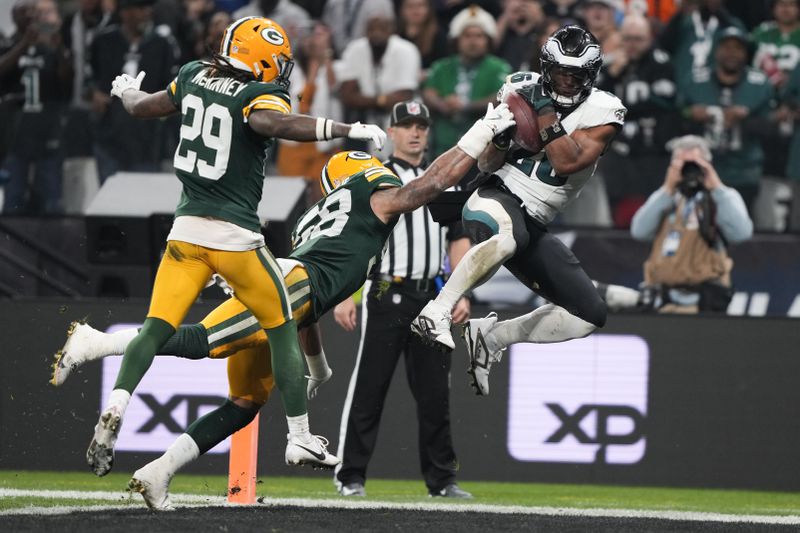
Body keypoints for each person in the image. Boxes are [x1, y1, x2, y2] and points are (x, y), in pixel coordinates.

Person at [52, 103, 516, 510]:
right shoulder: (370, 199)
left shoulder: (313, 220)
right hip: (288, 290)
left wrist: (316, 366)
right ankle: (96, 342)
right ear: (359, 178)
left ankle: (159, 473)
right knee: (202, 342)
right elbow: (432, 183)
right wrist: (479, 134)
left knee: (245, 402)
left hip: (295, 296)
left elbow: (305, 318)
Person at [82, 16, 389, 483]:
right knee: (283, 322)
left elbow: (144, 106)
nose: (283, 71)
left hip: (184, 232)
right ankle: (300, 434)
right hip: (235, 238)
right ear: (260, 56)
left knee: (154, 330)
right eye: (279, 62)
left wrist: (125, 94)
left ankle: (116, 405)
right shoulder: (255, 94)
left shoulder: (191, 75)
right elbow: (272, 121)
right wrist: (342, 127)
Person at [411, 26, 626, 396]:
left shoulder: (604, 111)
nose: (567, 83)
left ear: (590, 77)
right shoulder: (517, 91)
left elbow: (565, 162)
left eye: (576, 76)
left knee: (589, 314)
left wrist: (541, 109)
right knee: (508, 236)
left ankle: (492, 337)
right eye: (560, 73)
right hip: (494, 197)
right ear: (546, 69)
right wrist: (500, 137)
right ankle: (437, 310)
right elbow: (488, 163)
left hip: (534, 221)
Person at [332, 101, 472, 499]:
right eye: (406, 125)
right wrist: (348, 293)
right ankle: (350, 475)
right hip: (386, 290)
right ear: (390, 132)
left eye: (421, 126)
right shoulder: (375, 175)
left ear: (428, 132)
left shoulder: (444, 177)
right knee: (369, 389)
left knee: (435, 395)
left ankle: (443, 480)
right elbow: (356, 238)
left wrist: (457, 291)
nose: (415, 132)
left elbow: (458, 238)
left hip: (431, 298)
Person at [630, 135, 753, 313]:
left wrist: (716, 187)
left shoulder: (722, 197)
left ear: (707, 165)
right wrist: (667, 189)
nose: (690, 170)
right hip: (663, 302)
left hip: (704, 303)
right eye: (683, 164)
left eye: (695, 163)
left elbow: (741, 233)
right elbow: (639, 231)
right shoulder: (666, 198)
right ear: (672, 167)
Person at [678, 26, 775, 212]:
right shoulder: (694, 81)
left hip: (745, 170)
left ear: (746, 53)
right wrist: (692, 115)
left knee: (740, 228)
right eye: (726, 47)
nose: (732, 53)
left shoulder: (760, 84)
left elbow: (771, 129)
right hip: (701, 169)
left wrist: (745, 119)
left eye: (738, 48)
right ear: (716, 50)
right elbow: (676, 117)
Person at [596, 13, 678, 226]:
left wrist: (621, 108)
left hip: (654, 153)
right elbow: (595, 106)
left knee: (655, 213)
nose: (631, 45)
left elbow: (664, 103)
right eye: (627, 39)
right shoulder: (609, 66)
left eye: (638, 39)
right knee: (619, 212)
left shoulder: (661, 63)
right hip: (619, 155)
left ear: (649, 39)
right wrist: (612, 75)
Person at [88, 0, 179, 183]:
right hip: (109, 131)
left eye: (147, 8)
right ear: (125, 12)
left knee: (142, 193)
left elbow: (171, 84)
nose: (146, 13)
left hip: (147, 135)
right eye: (140, 8)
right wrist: (93, 92)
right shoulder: (104, 40)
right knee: (109, 195)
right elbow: (87, 75)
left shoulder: (162, 44)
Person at [1, 0, 72, 214]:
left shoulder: (50, 47)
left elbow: (67, 81)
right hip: (14, 134)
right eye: (24, 13)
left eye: (34, 12)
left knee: (51, 201)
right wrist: (24, 44)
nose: (30, 17)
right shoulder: (8, 45)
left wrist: (58, 47)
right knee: (13, 199)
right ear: (14, 17)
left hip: (47, 131)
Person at [423, 5, 511, 158]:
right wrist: (442, 105)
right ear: (457, 39)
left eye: (479, 36)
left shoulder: (499, 67)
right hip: (443, 148)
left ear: (488, 39)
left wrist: (465, 106)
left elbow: (502, 97)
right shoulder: (441, 66)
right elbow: (428, 92)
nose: (473, 41)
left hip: (483, 151)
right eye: (467, 36)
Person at [336, 12, 421, 152]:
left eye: (382, 29)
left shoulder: (407, 50)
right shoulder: (354, 49)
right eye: (372, 29)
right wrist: (382, 100)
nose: (376, 33)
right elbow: (347, 95)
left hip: (400, 120)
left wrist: (364, 99)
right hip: (364, 121)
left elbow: (403, 97)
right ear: (365, 31)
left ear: (392, 31)